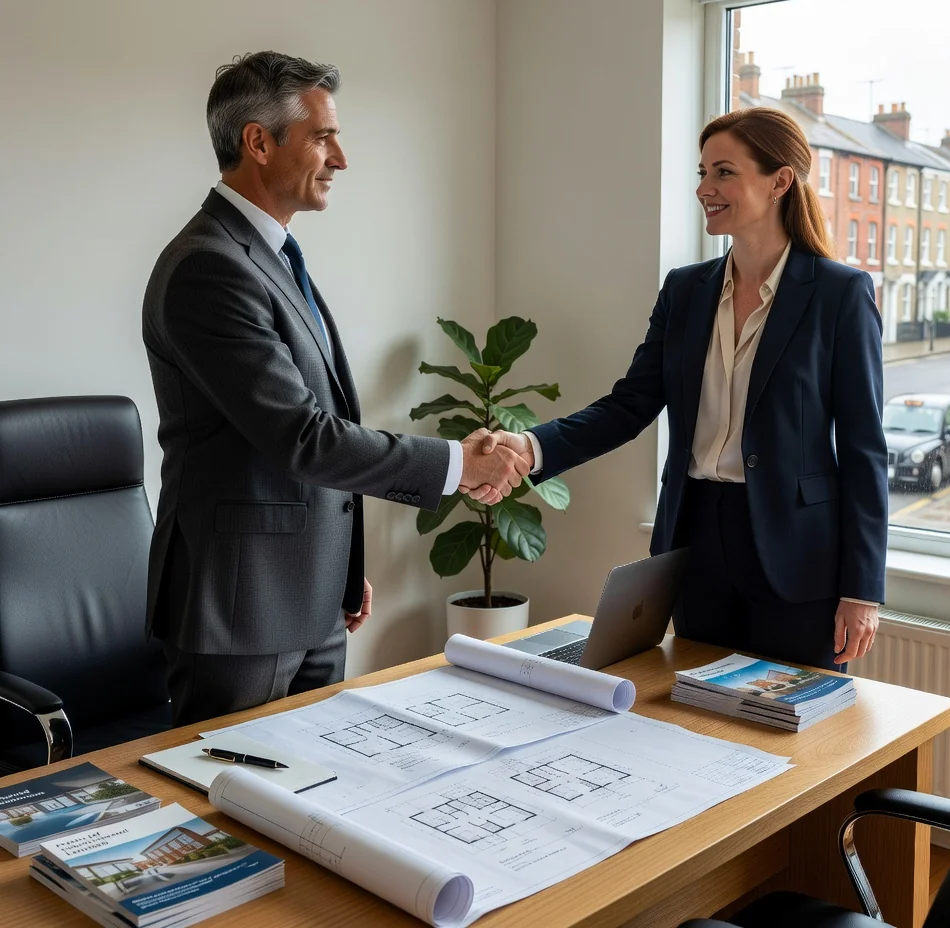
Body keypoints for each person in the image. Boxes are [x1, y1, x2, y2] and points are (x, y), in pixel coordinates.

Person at [143, 51, 528, 726]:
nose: (340, 158)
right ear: (258, 142)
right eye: (323, 136)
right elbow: (302, 436)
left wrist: (341, 568)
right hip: (240, 609)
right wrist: (457, 464)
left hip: (311, 598)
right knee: (228, 812)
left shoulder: (270, 256)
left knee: (311, 800)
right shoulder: (209, 267)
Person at [472, 107, 887, 670]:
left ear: (780, 181)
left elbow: (864, 449)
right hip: (695, 541)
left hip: (799, 555)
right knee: (694, 720)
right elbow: (629, 404)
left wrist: (862, 589)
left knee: (795, 742)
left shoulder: (840, 294)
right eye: (701, 173)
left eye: (723, 172)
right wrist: (532, 447)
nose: (704, 189)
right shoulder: (685, 290)